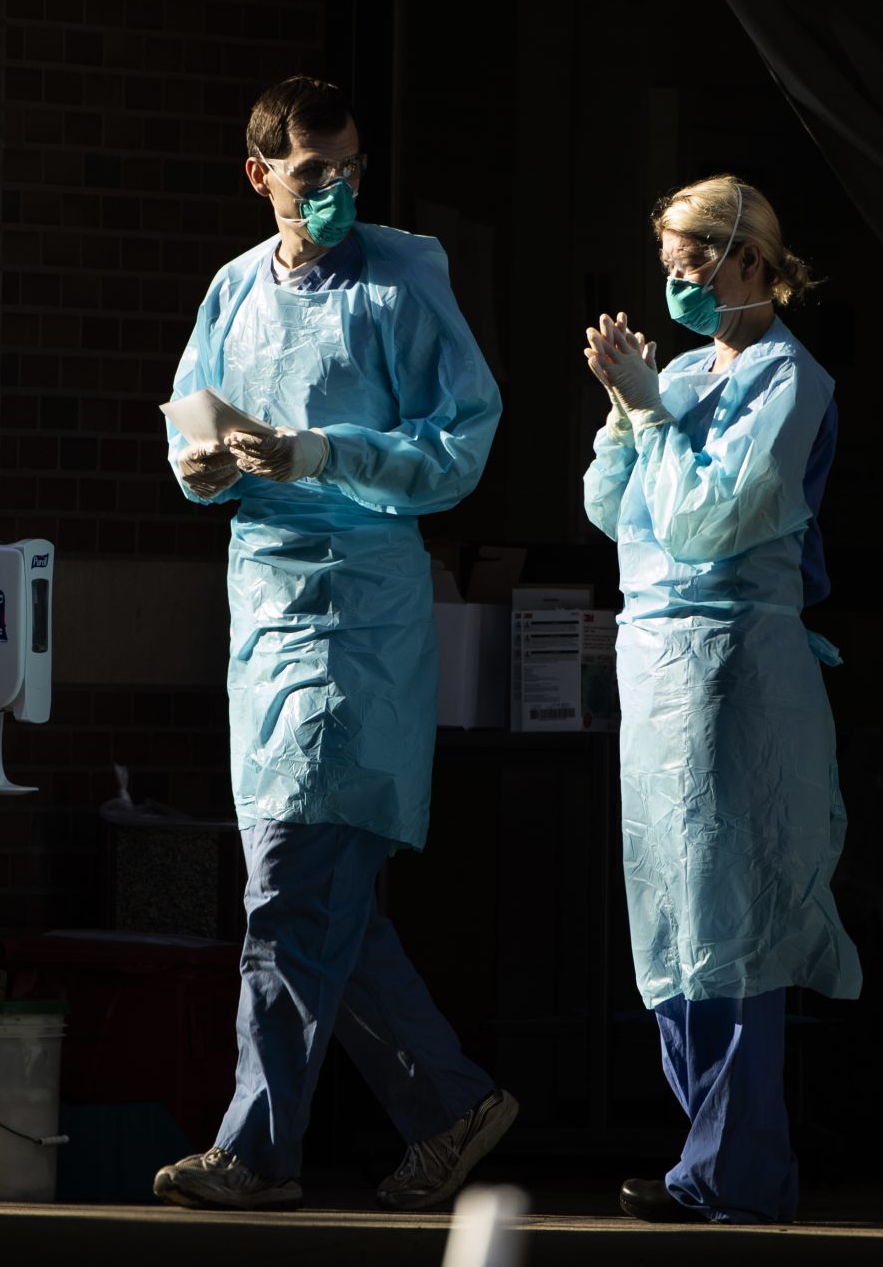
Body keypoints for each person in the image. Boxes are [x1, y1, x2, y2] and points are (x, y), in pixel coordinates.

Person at [151, 75, 515, 1212]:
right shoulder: (231, 289)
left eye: (351, 168)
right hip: (262, 614)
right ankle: (450, 1103)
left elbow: (460, 443)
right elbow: (187, 421)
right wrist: (202, 469)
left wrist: (327, 455)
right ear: (258, 175)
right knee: (318, 896)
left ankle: (256, 1149)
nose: (338, 190)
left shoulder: (402, 281)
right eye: (314, 174)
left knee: (289, 891)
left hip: (357, 615)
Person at [581, 175, 861, 1225]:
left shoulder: (795, 383)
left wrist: (654, 416)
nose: (678, 282)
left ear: (751, 258)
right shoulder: (688, 370)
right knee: (671, 911)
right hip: (655, 666)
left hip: (738, 666)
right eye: (668, 262)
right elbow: (615, 511)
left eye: (694, 260)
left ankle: (736, 1170)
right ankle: (712, 1154)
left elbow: (709, 522)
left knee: (737, 915)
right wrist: (626, 410)